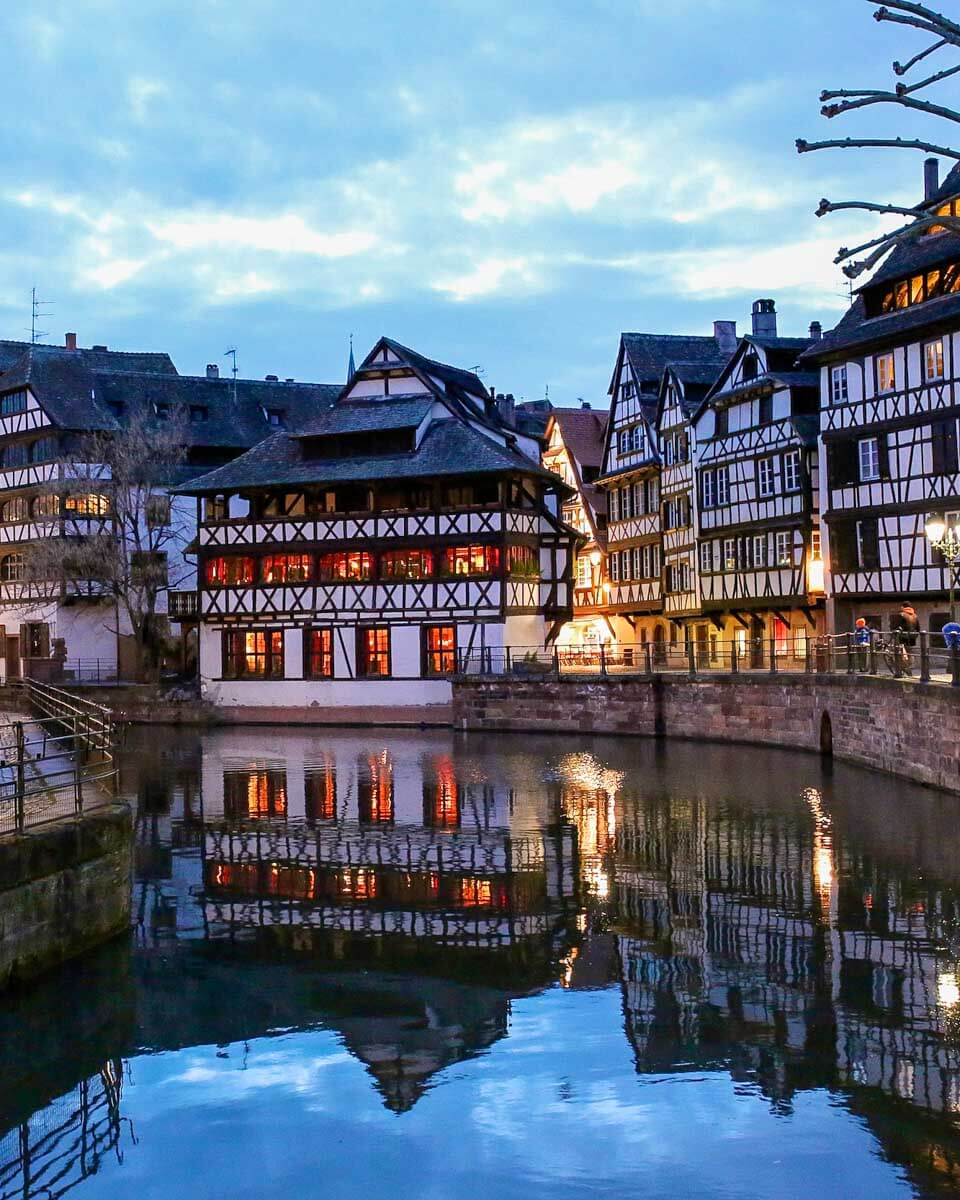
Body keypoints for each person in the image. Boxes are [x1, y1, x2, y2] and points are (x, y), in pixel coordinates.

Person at [891, 602, 920, 675]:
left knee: (900, 654)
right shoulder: (915, 616)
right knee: (909, 654)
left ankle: (902, 670)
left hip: (901, 638)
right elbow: (918, 628)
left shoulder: (901, 615)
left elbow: (896, 626)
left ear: (903, 607)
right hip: (912, 639)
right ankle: (908, 668)